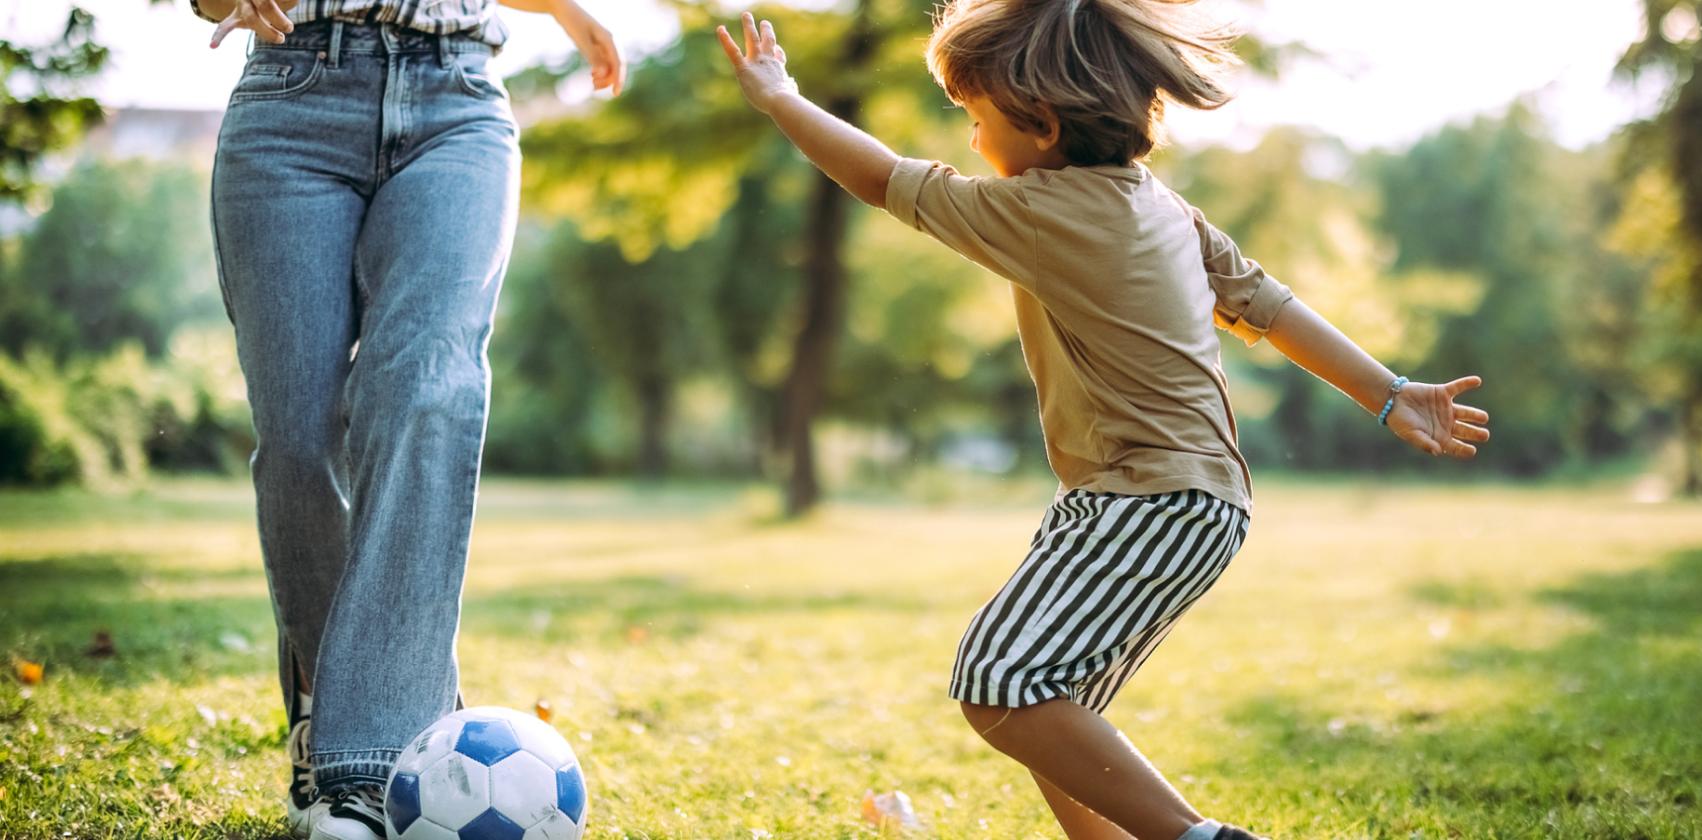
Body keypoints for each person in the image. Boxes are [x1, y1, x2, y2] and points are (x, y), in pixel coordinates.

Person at [717, 1, 1491, 837]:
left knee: (998, 683)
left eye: (976, 120)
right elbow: (1265, 305)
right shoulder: (1159, 206)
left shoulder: (1042, 210)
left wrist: (781, 98)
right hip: (1185, 498)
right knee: (1055, 711)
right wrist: (1386, 390)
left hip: (1150, 498)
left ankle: (1200, 839)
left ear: (1042, 125)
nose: (971, 143)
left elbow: (882, 178)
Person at [188, 1, 622, 837]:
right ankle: (324, 715)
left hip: (456, 98)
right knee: (299, 440)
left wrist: (566, 9)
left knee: (427, 389)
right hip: (292, 93)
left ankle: (370, 764)